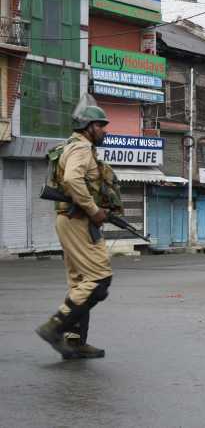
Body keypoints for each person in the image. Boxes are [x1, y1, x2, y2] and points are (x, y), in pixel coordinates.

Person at [35, 95, 116, 360]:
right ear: (88, 126)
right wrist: (94, 211)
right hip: (79, 220)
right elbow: (72, 179)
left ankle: (74, 341)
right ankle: (56, 326)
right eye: (101, 125)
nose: (105, 130)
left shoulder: (69, 146)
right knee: (99, 279)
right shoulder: (81, 148)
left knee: (81, 281)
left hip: (69, 219)